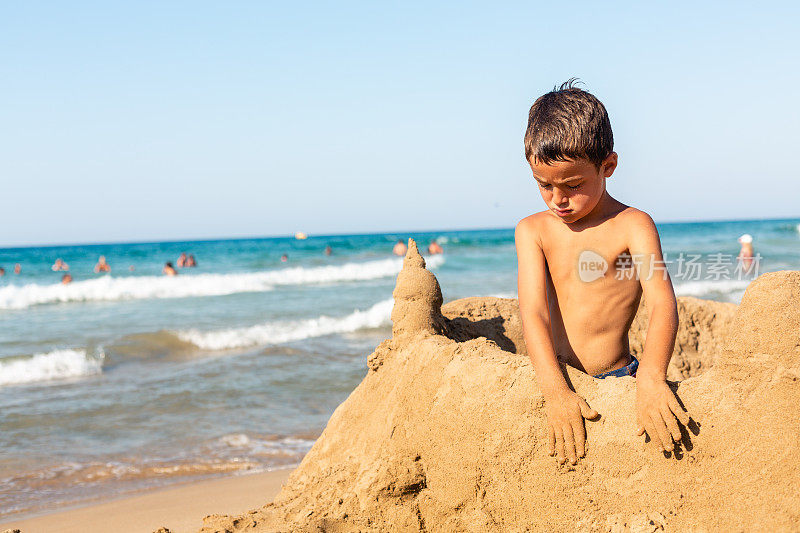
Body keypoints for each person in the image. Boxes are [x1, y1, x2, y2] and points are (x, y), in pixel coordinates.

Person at [515, 80, 690, 466]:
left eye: (573, 185)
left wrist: (651, 377)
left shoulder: (633, 225)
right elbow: (534, 313)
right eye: (544, 185)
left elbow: (663, 303)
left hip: (619, 377)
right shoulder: (533, 231)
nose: (558, 199)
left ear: (608, 166)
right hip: (558, 375)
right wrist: (556, 392)